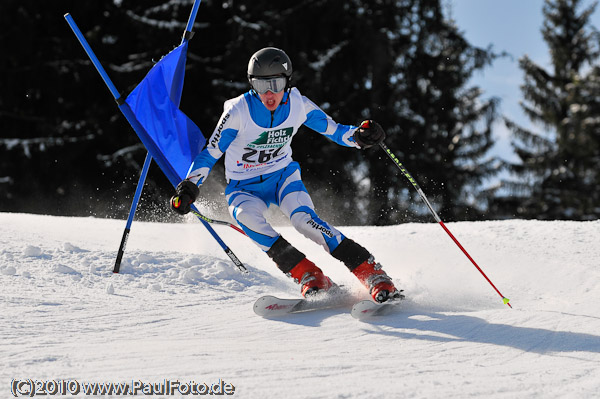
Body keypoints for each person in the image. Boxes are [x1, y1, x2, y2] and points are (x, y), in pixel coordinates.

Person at [170, 47, 400, 303]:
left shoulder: (298, 105)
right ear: (251, 84)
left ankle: (373, 274)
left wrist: (359, 136)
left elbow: (335, 130)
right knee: (245, 217)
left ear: (287, 82)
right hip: (243, 187)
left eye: (276, 83)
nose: (269, 94)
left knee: (304, 220)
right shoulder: (237, 112)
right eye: (261, 85)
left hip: (282, 178)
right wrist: (189, 187)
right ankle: (309, 275)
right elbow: (210, 153)